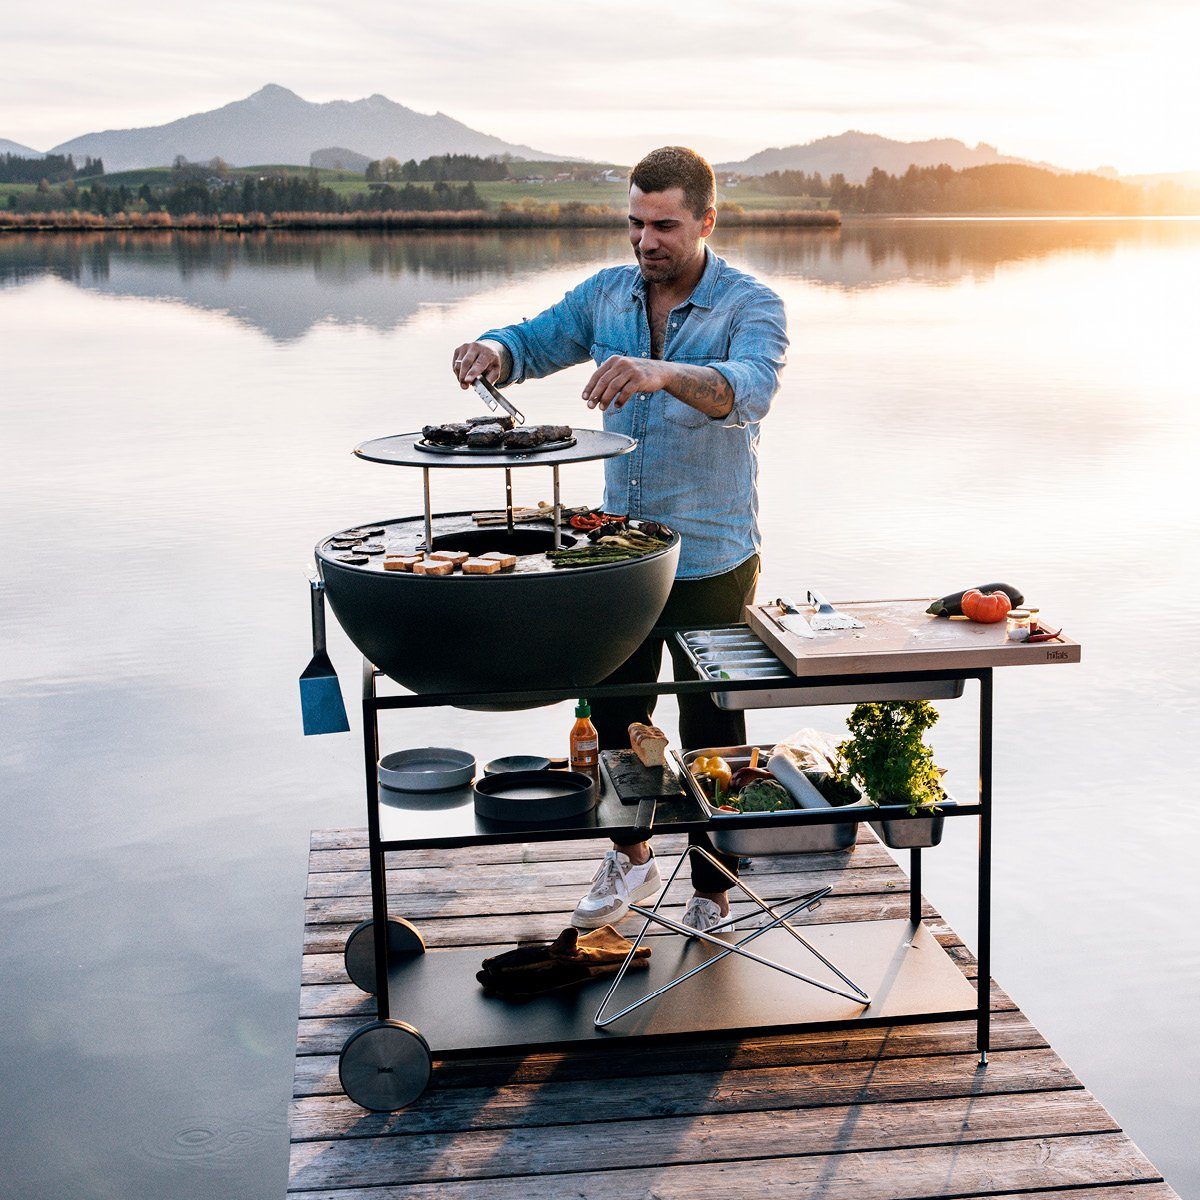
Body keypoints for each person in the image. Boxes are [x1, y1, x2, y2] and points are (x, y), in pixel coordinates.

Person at [451, 146, 788, 935]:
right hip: (620, 553)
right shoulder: (607, 294)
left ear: (707, 220)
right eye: (635, 224)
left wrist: (661, 372)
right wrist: (496, 350)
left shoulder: (752, 304)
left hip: (713, 554)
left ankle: (712, 885)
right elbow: (537, 337)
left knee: (712, 723)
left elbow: (751, 389)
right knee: (612, 713)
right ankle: (629, 854)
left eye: (665, 225)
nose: (646, 242)